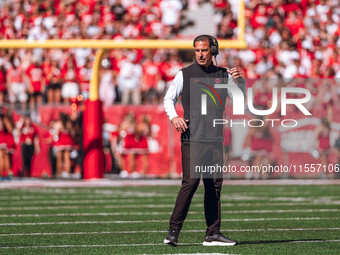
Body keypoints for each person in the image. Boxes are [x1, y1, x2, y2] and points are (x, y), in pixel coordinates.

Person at [163, 34, 245, 246]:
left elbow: (239, 101)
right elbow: (168, 99)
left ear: (213, 51)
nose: (200, 54)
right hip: (194, 137)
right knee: (190, 183)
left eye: (204, 50)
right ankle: (173, 231)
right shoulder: (185, 74)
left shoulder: (223, 74)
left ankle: (213, 233)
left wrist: (241, 82)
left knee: (214, 185)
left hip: (215, 138)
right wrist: (174, 117)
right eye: (197, 50)